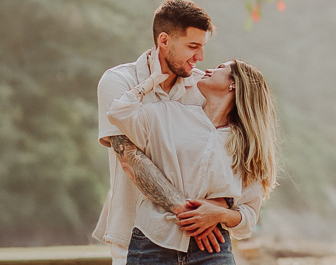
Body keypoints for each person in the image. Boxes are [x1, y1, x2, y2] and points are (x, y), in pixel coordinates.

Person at [108, 50, 279, 265]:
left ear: (233, 85)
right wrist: (153, 80)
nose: (208, 69)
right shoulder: (169, 114)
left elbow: (248, 217)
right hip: (152, 243)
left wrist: (218, 214)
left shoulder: (246, 146)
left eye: (219, 69)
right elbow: (118, 113)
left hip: (212, 251)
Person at [95, 0, 218, 265]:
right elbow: (130, 159)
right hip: (135, 238)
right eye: (193, 46)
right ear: (164, 41)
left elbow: (221, 154)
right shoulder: (118, 82)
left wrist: (218, 210)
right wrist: (187, 212)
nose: (200, 57)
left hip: (201, 238)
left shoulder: (204, 88)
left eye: (203, 47)